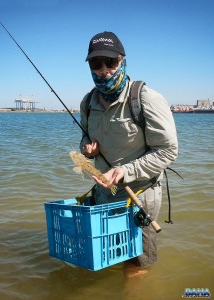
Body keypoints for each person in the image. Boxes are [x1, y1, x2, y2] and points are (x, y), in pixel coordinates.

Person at [80, 31, 178, 278]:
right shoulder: (87, 102)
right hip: (104, 195)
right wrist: (87, 148)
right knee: (110, 257)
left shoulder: (147, 99)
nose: (104, 70)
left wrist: (126, 171)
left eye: (110, 62)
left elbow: (168, 150)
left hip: (140, 197)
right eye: (96, 63)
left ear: (122, 60)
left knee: (136, 267)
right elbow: (85, 136)